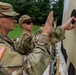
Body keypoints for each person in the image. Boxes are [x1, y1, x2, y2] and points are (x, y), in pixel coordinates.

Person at [0, 2, 76, 75]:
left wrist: (63, 27)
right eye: (10, 17)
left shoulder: (7, 40)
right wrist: (45, 33)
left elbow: (37, 39)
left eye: (31, 21)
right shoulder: (22, 40)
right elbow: (29, 69)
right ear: (22, 25)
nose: (14, 20)